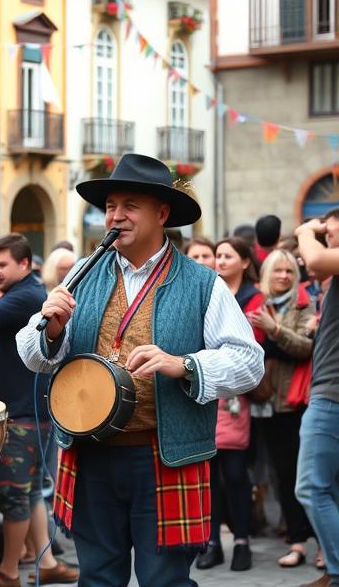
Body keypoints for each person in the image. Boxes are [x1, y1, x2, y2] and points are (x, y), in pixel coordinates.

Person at [16, 153, 264, 587]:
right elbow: (32, 354)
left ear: (161, 213)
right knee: (97, 579)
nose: (116, 215)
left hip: (164, 456)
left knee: (163, 581)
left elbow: (249, 363)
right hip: (89, 453)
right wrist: (50, 330)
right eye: (111, 205)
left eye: (130, 205)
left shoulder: (202, 283)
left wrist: (183, 364)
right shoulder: (81, 273)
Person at [0, 234, 77, 586]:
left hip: (22, 417)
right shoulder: (17, 292)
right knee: (29, 493)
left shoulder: (26, 293)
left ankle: (9, 572)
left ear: (24, 265)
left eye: (2, 265)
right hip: (28, 414)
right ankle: (47, 560)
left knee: (13, 494)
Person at [245, 249, 319, 570]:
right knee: (282, 476)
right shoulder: (258, 306)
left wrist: (273, 330)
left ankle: (323, 544)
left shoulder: (305, 305)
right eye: (278, 271)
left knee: (311, 476)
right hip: (266, 403)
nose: (284, 277)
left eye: (289, 271)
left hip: (296, 401)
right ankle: (298, 541)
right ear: (267, 275)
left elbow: (306, 347)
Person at [195, 237, 261, 571]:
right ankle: (211, 542)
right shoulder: (201, 293)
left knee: (235, 473)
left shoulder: (250, 298)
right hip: (203, 397)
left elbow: (252, 356)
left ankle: (241, 540)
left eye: (222, 255)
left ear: (245, 261)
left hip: (235, 400)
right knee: (207, 475)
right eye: (212, 255)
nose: (216, 261)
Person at [294, 208, 339, 587]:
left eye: (333, 229)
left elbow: (314, 259)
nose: (327, 234)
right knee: (330, 489)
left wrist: (306, 230)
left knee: (310, 486)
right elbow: (315, 268)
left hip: (332, 397)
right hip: (328, 393)